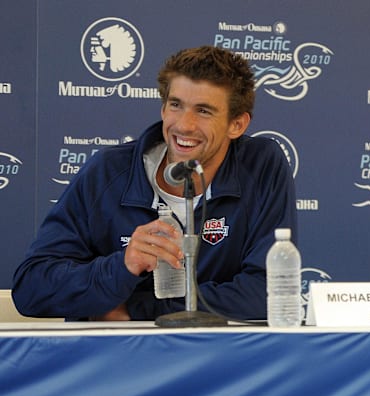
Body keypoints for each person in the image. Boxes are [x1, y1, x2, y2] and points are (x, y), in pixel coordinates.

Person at [12, 46, 297, 321]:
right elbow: (32, 288)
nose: (184, 125)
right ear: (163, 108)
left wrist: (137, 309)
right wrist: (121, 266)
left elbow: (270, 293)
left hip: (217, 357)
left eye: (204, 111)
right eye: (176, 105)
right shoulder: (108, 171)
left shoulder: (261, 165)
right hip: (120, 359)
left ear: (237, 124)